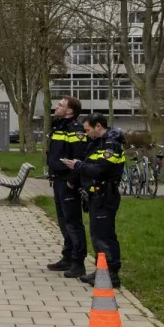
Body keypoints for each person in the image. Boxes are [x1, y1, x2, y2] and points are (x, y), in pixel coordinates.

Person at [63, 113, 123, 287]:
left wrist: (78, 166)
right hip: (97, 195)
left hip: (105, 195)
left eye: (88, 129)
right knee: (97, 236)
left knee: (104, 236)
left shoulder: (111, 144)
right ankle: (101, 270)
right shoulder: (98, 143)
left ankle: (111, 274)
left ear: (98, 126)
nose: (86, 133)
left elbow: (102, 169)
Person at [45, 96, 89, 279]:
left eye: (61, 105)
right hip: (58, 180)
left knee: (72, 222)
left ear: (70, 110)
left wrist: (73, 179)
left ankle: (78, 262)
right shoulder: (59, 126)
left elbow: (78, 157)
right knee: (63, 222)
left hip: (68, 182)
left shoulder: (75, 130)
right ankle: (67, 257)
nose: (57, 106)